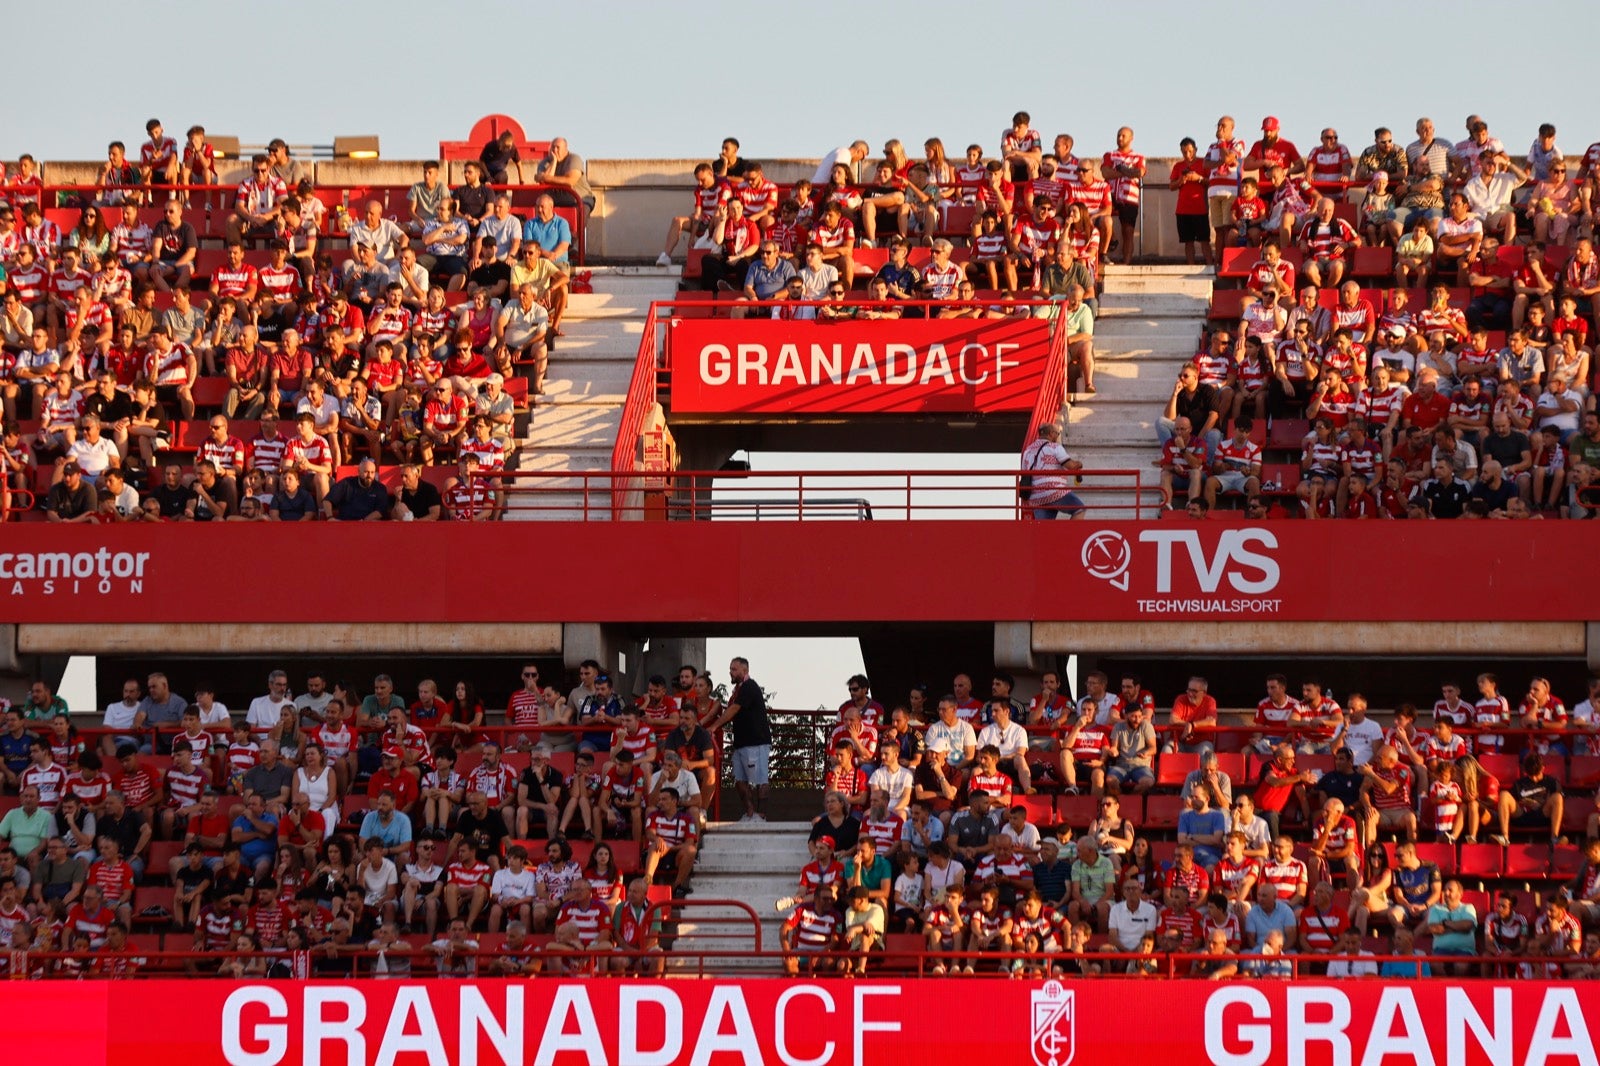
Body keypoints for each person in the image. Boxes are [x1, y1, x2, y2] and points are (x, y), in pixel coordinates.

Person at [706, 657, 770, 823]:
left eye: (734, 669)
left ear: (745, 670)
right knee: (739, 780)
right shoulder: (737, 690)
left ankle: (761, 815)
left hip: (756, 742)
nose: (731, 672)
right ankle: (750, 813)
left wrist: (714, 726)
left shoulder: (749, 686)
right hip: (741, 742)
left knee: (759, 780)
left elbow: (734, 709)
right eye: (730, 669)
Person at [1020, 421, 1085, 520]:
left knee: (1045, 530)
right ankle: (1070, 535)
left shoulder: (1028, 451)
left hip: (1036, 496)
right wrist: (1079, 464)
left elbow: (1024, 472)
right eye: (1057, 433)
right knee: (1079, 509)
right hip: (1054, 491)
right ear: (1051, 433)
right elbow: (1071, 466)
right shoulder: (1055, 447)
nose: (1057, 436)